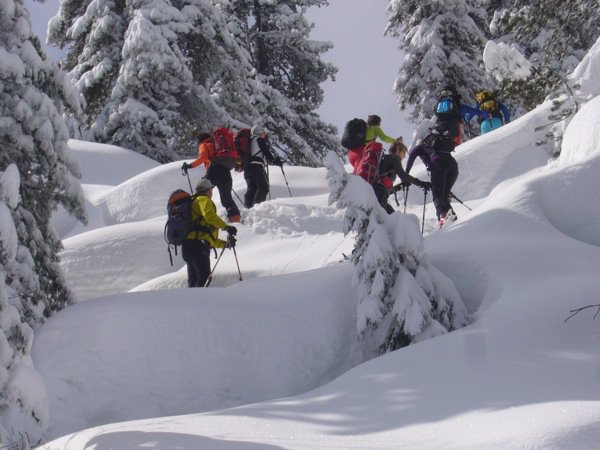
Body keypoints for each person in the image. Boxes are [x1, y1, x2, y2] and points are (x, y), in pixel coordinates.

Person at [181, 178, 237, 287]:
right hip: (198, 246)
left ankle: (190, 301)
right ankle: (200, 302)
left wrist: (225, 244)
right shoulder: (203, 200)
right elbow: (209, 216)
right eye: (211, 190)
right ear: (208, 190)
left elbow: (209, 238)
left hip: (188, 246)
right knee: (204, 276)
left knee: (194, 279)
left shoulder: (193, 203)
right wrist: (226, 227)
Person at [182, 131, 241, 223]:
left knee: (201, 191)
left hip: (214, 170)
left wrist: (190, 166)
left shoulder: (204, 145)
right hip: (225, 171)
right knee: (226, 199)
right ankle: (235, 218)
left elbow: (203, 157)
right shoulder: (218, 147)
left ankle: (196, 216)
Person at [405, 135, 458, 229]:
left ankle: (442, 218)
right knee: (444, 195)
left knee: (437, 196)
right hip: (453, 166)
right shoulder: (436, 149)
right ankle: (451, 216)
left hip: (439, 166)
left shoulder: (420, 147)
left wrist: (406, 172)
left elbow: (412, 155)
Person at [373, 141, 431, 214]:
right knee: (393, 219)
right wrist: (421, 183)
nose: (404, 156)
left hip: (375, 193)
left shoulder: (386, 160)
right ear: (398, 149)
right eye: (404, 152)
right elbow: (403, 175)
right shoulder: (394, 158)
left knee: (391, 218)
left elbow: (385, 186)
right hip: (379, 195)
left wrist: (399, 187)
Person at [243, 125, 283, 208]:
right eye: (262, 132)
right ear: (259, 132)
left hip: (247, 167)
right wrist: (276, 161)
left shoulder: (249, 141)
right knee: (263, 187)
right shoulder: (259, 139)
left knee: (252, 188)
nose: (264, 134)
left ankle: (248, 208)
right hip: (256, 166)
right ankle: (257, 207)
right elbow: (267, 153)